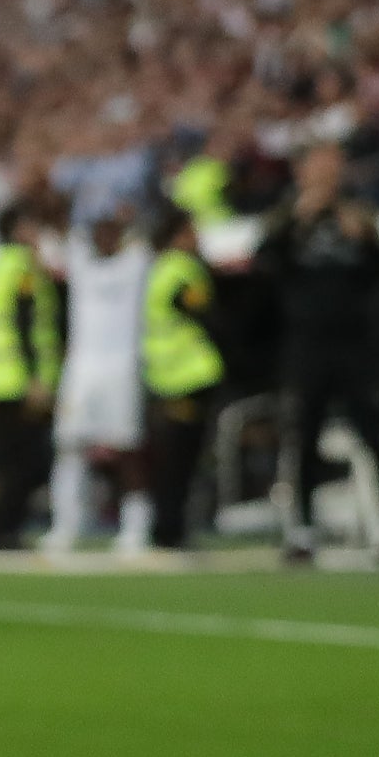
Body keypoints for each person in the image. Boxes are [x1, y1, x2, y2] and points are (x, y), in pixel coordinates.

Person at [255, 144, 379, 564]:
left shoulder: (359, 215)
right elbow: (264, 265)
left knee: (372, 436)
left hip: (355, 346)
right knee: (304, 436)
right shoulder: (286, 216)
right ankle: (301, 531)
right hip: (306, 345)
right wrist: (298, 221)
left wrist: (368, 241)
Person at [44, 211, 152, 553]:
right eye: (98, 232)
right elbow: (52, 230)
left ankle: (135, 527)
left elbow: (149, 235)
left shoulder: (136, 264)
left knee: (127, 449)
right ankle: (66, 525)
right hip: (81, 370)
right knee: (70, 447)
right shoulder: (80, 265)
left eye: (111, 232)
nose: (104, 239)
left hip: (121, 369)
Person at [0, 203, 62, 550]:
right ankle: (7, 528)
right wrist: (36, 377)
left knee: (2, 460)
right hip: (20, 379)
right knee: (26, 462)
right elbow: (23, 322)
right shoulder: (24, 269)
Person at [139, 208, 228, 550]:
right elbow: (201, 312)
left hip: (164, 374)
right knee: (182, 460)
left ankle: (166, 527)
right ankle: (171, 529)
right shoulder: (183, 269)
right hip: (187, 376)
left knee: (169, 459)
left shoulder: (157, 268)